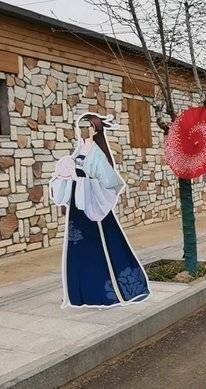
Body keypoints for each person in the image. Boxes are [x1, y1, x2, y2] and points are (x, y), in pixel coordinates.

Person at [51, 113, 150, 308]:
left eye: (86, 127)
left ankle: (109, 292)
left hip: (94, 209)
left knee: (104, 248)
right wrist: (63, 176)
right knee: (80, 251)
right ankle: (81, 293)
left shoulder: (98, 154)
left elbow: (109, 185)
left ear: (94, 130)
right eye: (80, 127)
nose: (82, 131)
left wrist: (79, 179)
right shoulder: (78, 150)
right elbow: (71, 175)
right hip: (78, 210)